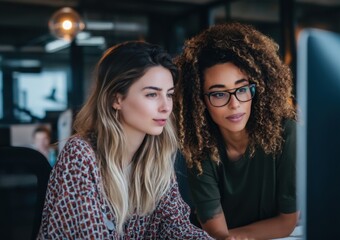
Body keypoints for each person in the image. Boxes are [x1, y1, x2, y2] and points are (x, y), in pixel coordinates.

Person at [37, 41, 212, 239]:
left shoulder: (156, 156)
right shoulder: (80, 155)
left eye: (169, 95)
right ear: (116, 99)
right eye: (152, 94)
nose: (166, 107)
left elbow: (177, 228)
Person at [174, 22, 298, 239]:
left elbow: (286, 222)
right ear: (199, 101)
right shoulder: (198, 142)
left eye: (241, 89)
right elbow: (217, 230)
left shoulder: (285, 132)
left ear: (257, 87)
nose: (235, 105)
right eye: (219, 94)